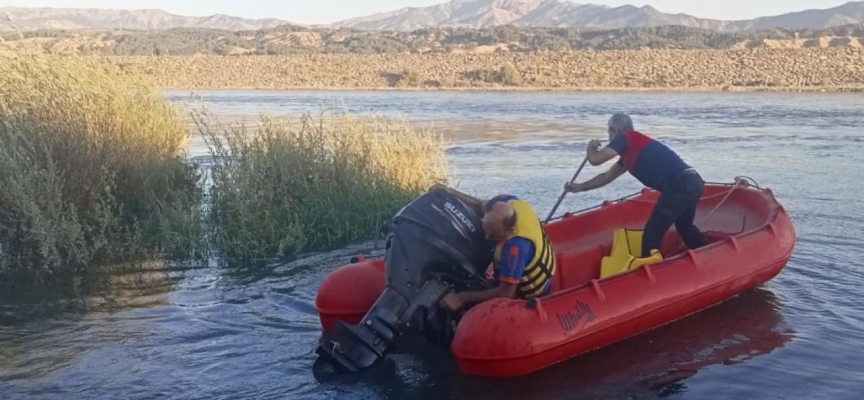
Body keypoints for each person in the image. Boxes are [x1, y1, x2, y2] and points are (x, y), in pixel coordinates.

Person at [564, 112, 707, 258]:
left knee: (652, 232)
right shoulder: (631, 150)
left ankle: (650, 270)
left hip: (680, 184)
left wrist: (591, 147)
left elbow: (596, 159)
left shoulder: (626, 137)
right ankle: (706, 253)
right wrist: (580, 187)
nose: (608, 136)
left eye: (608, 131)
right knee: (685, 227)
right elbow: (607, 176)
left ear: (615, 130)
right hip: (693, 181)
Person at [428, 184, 556, 312]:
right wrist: (449, 192)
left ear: (509, 230)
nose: (487, 237)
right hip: (522, 269)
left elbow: (506, 293)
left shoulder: (515, 247)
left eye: (494, 235)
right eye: (486, 231)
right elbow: (480, 205)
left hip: (531, 292)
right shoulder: (508, 201)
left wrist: (461, 298)